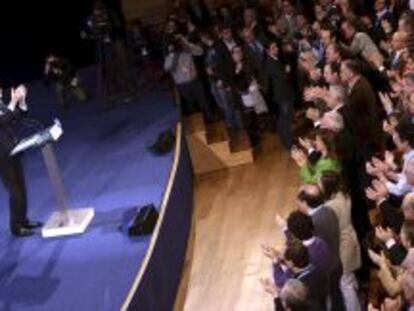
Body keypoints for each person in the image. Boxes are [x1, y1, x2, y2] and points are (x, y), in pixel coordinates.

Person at [0, 86, 42, 236]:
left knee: (22, 188)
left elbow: (16, 116)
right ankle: (16, 228)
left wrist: (22, 101)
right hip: (3, 158)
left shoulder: (1, 105)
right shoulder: (4, 106)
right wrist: (12, 102)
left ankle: (23, 220)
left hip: (14, 151)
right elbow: (3, 120)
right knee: (15, 192)